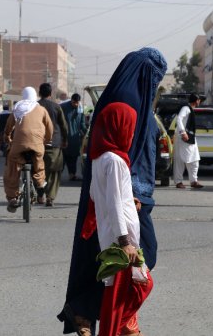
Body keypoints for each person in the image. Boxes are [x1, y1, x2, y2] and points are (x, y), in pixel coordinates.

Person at [58, 47, 167, 336]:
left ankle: (92, 312)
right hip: (127, 193)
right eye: (155, 77)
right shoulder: (128, 102)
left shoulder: (123, 96)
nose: (155, 84)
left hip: (123, 193)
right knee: (141, 257)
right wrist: (132, 194)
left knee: (112, 260)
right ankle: (118, 318)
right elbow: (124, 153)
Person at [89, 102, 153, 336]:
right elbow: (114, 202)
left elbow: (95, 195)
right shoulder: (115, 161)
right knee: (136, 288)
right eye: (130, 127)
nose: (132, 132)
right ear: (118, 127)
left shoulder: (99, 158)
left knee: (122, 292)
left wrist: (128, 199)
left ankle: (129, 331)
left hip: (110, 233)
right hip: (121, 238)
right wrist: (125, 241)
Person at [3, 87, 53, 212]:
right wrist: (46, 140)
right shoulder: (41, 109)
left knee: (13, 167)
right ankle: (40, 182)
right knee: (39, 163)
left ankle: (12, 198)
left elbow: (8, 127)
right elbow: (50, 128)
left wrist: (7, 138)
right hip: (37, 144)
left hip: (18, 145)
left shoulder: (17, 108)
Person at [37, 83, 69, 207]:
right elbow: (63, 126)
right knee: (55, 171)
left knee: (38, 169)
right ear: (51, 94)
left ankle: (40, 194)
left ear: (40, 93)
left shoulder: (35, 106)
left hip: (37, 142)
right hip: (54, 142)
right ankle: (50, 197)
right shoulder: (56, 107)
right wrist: (65, 140)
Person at [173, 93, 203, 189]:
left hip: (190, 137)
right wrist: (183, 132)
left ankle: (194, 181)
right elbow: (179, 119)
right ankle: (178, 181)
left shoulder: (190, 109)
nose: (200, 102)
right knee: (180, 159)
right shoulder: (186, 108)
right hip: (183, 137)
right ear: (196, 100)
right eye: (199, 100)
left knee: (194, 159)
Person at [61, 93, 87, 181]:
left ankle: (72, 175)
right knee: (63, 158)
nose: (75, 104)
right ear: (71, 100)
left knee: (74, 158)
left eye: (77, 102)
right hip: (65, 138)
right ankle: (56, 177)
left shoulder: (80, 109)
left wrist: (85, 132)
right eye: (74, 102)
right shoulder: (63, 107)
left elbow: (82, 123)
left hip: (75, 139)